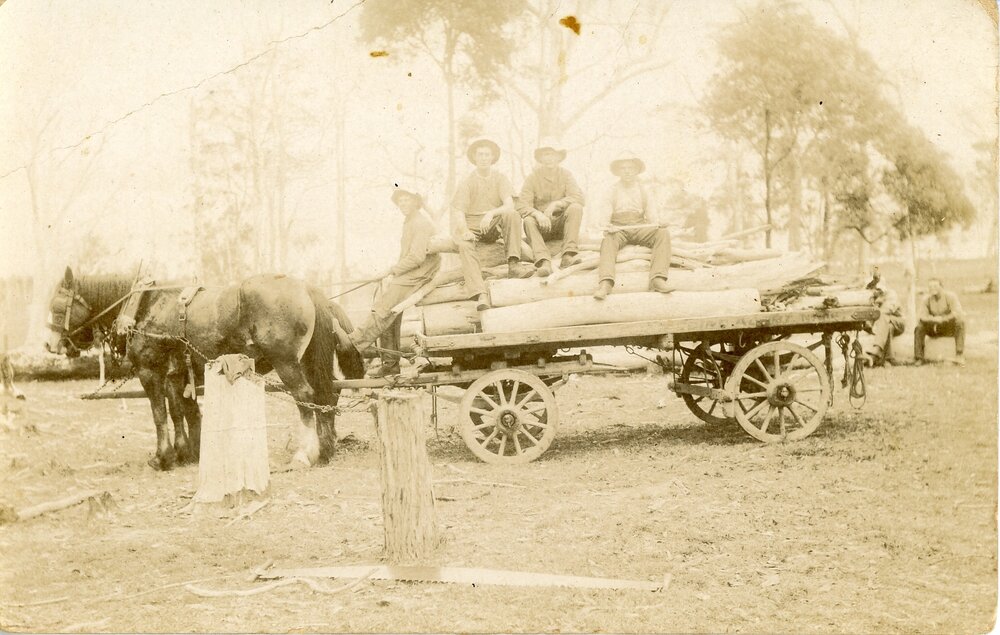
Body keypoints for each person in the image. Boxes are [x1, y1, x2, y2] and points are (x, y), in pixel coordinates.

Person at [349, 184, 441, 377]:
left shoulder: (420, 223)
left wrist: (390, 271)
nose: (403, 204)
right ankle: (390, 365)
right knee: (390, 312)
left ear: (416, 202)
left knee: (383, 308)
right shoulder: (409, 221)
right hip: (412, 271)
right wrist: (394, 274)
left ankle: (352, 343)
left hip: (421, 272)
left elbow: (416, 257)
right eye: (400, 201)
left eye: (407, 200)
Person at [451, 139, 535, 312]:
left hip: (492, 223)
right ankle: (480, 293)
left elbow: (509, 205)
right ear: (474, 157)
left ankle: (514, 264)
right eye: (480, 154)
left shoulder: (500, 178)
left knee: (511, 214)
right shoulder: (467, 182)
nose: (483, 158)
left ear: (493, 157)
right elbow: (458, 212)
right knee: (465, 246)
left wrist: (490, 213)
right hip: (472, 224)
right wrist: (465, 231)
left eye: (487, 154)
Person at [591, 152, 672, 300]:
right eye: (623, 168)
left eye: (630, 168)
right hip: (619, 228)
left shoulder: (644, 190)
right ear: (618, 172)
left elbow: (652, 214)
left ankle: (658, 278)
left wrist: (659, 223)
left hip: (640, 226)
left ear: (636, 170)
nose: (627, 171)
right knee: (608, 240)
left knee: (663, 233)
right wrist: (607, 226)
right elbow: (605, 214)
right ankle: (606, 283)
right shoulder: (612, 190)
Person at [518, 139, 585, 277]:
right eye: (546, 154)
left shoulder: (566, 175)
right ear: (541, 158)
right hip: (542, 227)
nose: (549, 158)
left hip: (561, 225)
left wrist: (556, 204)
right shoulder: (532, 178)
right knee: (529, 221)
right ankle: (543, 261)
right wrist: (537, 214)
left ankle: (568, 255)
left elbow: (578, 197)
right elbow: (522, 204)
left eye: (553, 154)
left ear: (559, 157)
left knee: (576, 208)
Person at [914, 277, 966, 366]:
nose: (932, 288)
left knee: (960, 322)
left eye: (935, 286)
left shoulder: (950, 296)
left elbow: (956, 312)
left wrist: (943, 319)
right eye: (930, 286)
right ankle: (919, 358)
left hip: (947, 327)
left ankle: (959, 355)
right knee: (919, 327)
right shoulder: (926, 299)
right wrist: (934, 319)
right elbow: (922, 316)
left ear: (942, 287)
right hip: (933, 327)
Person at [868, 284, 905, 366]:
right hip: (887, 324)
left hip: (898, 322)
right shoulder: (872, 296)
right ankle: (888, 359)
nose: (876, 291)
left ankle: (877, 349)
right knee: (888, 327)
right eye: (874, 289)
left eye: (879, 289)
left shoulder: (891, 294)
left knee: (884, 317)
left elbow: (888, 309)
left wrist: (877, 303)